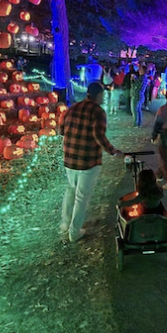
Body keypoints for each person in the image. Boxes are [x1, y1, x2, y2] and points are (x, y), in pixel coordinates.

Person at [58, 81, 122, 242]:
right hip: (88, 160)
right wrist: (113, 152)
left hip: (70, 158)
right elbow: (99, 136)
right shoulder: (98, 112)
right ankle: (74, 231)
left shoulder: (71, 108)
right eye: (103, 95)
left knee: (71, 190)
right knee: (81, 196)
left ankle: (65, 223)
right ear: (99, 95)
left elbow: (61, 130)